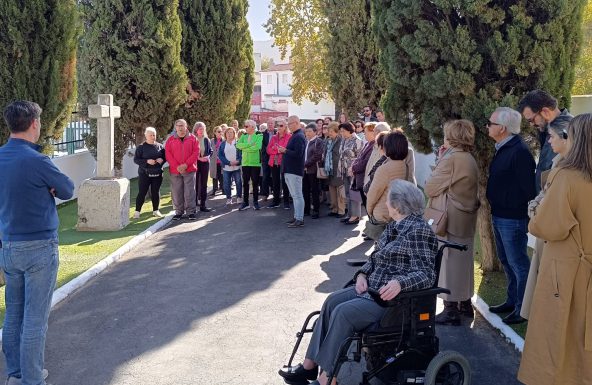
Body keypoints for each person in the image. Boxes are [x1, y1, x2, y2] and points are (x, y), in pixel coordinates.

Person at [278, 180, 438, 385]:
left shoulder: (418, 231)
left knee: (343, 313)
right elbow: (374, 259)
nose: (386, 204)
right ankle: (309, 366)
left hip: (392, 302)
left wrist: (400, 283)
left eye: (388, 201)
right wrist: (362, 275)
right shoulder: (394, 227)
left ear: (397, 206)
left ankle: (328, 378)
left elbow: (426, 273)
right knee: (331, 302)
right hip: (371, 288)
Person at [0, 101, 75, 385]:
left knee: (13, 315)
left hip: (8, 247)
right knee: (34, 319)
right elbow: (67, 189)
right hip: (39, 248)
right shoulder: (38, 160)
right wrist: (49, 187)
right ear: (34, 124)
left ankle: (16, 375)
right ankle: (33, 380)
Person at [518, 113, 592, 385]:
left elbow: (545, 227)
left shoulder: (568, 177)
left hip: (569, 272)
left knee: (560, 345)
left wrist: (535, 212)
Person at [424, 120, 480, 325]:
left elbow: (430, 188)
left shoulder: (451, 159)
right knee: (463, 264)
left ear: (452, 136)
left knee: (448, 263)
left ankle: (450, 310)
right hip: (464, 217)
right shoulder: (468, 158)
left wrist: (440, 160)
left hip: (449, 219)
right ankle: (465, 305)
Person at [486, 107, 536, 325]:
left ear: (502, 129)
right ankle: (512, 300)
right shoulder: (504, 147)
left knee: (518, 263)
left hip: (512, 218)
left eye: (491, 123)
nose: (487, 126)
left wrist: (522, 215)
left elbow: (528, 189)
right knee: (506, 261)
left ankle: (523, 309)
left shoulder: (519, 151)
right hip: (499, 215)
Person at [521, 118, 571, 320]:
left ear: (567, 137)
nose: (548, 141)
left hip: (559, 247)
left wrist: (534, 208)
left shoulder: (565, 173)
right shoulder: (558, 165)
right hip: (550, 244)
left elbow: (545, 210)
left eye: (552, 136)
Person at [517, 90, 573, 193]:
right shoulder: (549, 130)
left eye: (531, 120)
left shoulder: (569, 131)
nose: (531, 125)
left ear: (546, 112)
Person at [365, 131, 411, 240]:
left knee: (381, 247)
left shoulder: (384, 168)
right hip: (397, 212)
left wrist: (369, 211)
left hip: (382, 214)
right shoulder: (404, 165)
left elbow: (373, 194)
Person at [166, 119, 199, 221]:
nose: (180, 128)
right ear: (175, 128)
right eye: (178, 126)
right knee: (177, 192)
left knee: (189, 191)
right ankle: (179, 212)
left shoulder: (193, 139)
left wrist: (186, 165)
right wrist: (177, 166)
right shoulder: (170, 140)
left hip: (189, 170)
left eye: (182, 125)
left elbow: (196, 153)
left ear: (186, 126)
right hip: (175, 171)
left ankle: (191, 212)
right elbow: (168, 154)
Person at [133, 127, 166, 219]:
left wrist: (161, 160)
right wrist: (147, 161)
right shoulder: (141, 147)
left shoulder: (160, 146)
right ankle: (137, 212)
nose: (152, 137)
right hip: (144, 174)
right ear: (146, 136)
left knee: (155, 192)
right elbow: (136, 159)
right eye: (150, 135)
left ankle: (156, 210)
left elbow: (165, 157)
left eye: (154, 135)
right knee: (142, 192)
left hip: (158, 173)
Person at [281, 115, 307, 228]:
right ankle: (297, 217)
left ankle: (299, 219)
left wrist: (285, 150)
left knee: (297, 196)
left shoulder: (299, 136)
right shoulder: (295, 135)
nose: (288, 126)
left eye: (290, 123)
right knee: (295, 196)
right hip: (290, 170)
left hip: (294, 171)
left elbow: (298, 154)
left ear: (296, 123)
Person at [338, 122, 363, 225]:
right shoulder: (344, 140)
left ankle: (355, 216)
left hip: (353, 171)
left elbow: (360, 157)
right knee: (348, 193)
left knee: (354, 193)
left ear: (349, 130)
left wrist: (353, 168)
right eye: (341, 131)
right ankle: (350, 214)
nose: (341, 133)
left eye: (343, 131)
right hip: (344, 170)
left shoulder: (357, 140)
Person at [236, 119, 263, 211]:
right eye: (245, 126)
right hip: (245, 163)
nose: (245, 128)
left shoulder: (259, 134)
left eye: (246, 126)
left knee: (255, 184)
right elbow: (238, 145)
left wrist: (245, 147)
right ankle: (245, 202)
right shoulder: (244, 135)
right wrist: (250, 144)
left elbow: (257, 147)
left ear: (252, 127)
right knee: (245, 183)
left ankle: (256, 202)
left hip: (255, 163)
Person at [266, 119, 292, 209]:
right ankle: (276, 201)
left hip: (284, 162)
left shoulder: (289, 136)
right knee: (275, 183)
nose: (279, 127)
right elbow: (268, 150)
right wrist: (277, 150)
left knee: (285, 182)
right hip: (274, 162)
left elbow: (284, 148)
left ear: (285, 127)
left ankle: (286, 202)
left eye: (281, 125)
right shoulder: (273, 137)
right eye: (278, 125)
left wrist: (275, 148)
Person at [351, 122, 377, 208]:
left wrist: (353, 168)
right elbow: (359, 158)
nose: (364, 134)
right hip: (360, 179)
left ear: (373, 132)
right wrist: (353, 166)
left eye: (366, 132)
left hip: (365, 180)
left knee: (368, 206)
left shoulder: (374, 146)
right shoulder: (367, 144)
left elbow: (365, 163)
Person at [303, 123, 325, 219]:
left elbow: (317, 156)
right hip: (304, 170)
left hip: (313, 170)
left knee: (315, 191)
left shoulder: (319, 141)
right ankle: (306, 210)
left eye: (309, 131)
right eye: (306, 131)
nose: (307, 133)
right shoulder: (305, 141)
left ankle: (316, 211)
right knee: (305, 190)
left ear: (315, 132)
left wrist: (305, 164)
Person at [324, 122, 346, 218]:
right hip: (330, 168)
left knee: (340, 190)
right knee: (332, 189)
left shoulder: (341, 140)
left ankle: (341, 210)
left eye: (331, 131)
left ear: (337, 132)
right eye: (329, 131)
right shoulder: (328, 141)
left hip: (338, 168)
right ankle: (334, 209)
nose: (329, 133)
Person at [218, 127, 243, 205]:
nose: (229, 134)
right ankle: (229, 198)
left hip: (237, 167)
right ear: (225, 134)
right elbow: (220, 155)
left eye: (231, 132)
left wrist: (238, 161)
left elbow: (242, 154)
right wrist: (228, 162)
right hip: (227, 168)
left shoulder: (238, 142)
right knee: (226, 183)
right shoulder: (223, 144)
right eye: (228, 132)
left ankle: (239, 197)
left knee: (238, 182)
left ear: (234, 134)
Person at [193, 122, 213, 213]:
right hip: (195, 163)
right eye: (200, 129)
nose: (201, 131)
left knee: (204, 184)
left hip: (205, 163)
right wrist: (198, 158)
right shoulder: (192, 139)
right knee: (195, 184)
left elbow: (210, 151)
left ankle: (203, 205)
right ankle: (194, 203)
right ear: (196, 130)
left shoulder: (206, 140)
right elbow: (191, 152)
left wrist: (207, 157)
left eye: (203, 129)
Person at [260, 122, 275, 201]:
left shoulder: (277, 132)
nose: (270, 125)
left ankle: (275, 193)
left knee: (275, 176)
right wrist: (270, 150)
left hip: (275, 157)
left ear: (274, 124)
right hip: (266, 157)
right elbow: (262, 146)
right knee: (265, 176)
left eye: (271, 124)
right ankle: (265, 194)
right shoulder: (262, 134)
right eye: (269, 124)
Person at [209, 126, 224, 196]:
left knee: (222, 176)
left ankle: (223, 189)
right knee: (214, 176)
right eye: (219, 131)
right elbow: (209, 150)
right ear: (215, 133)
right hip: (214, 162)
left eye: (221, 131)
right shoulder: (212, 141)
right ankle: (214, 190)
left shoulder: (224, 140)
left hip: (222, 162)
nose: (220, 133)